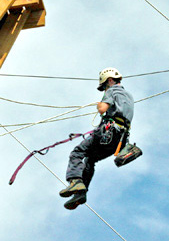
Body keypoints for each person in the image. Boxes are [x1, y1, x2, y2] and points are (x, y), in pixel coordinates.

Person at [59, 67, 142, 210]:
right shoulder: (128, 95)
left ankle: (75, 181)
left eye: (104, 85)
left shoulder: (112, 91)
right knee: (90, 159)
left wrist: (100, 106)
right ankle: (81, 192)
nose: (104, 89)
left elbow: (103, 108)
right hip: (119, 140)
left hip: (107, 132)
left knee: (77, 152)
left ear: (110, 80)